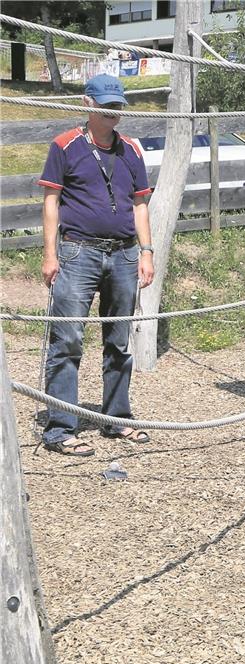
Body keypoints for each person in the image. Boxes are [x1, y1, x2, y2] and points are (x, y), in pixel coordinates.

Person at [37, 73, 155, 456]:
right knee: (67, 339)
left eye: (117, 106)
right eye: (106, 106)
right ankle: (59, 429)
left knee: (119, 340)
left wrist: (147, 252)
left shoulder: (132, 150)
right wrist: (50, 254)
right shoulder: (65, 146)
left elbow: (140, 204)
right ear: (87, 105)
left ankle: (116, 419)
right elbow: (51, 201)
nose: (113, 113)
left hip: (123, 253)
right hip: (77, 252)